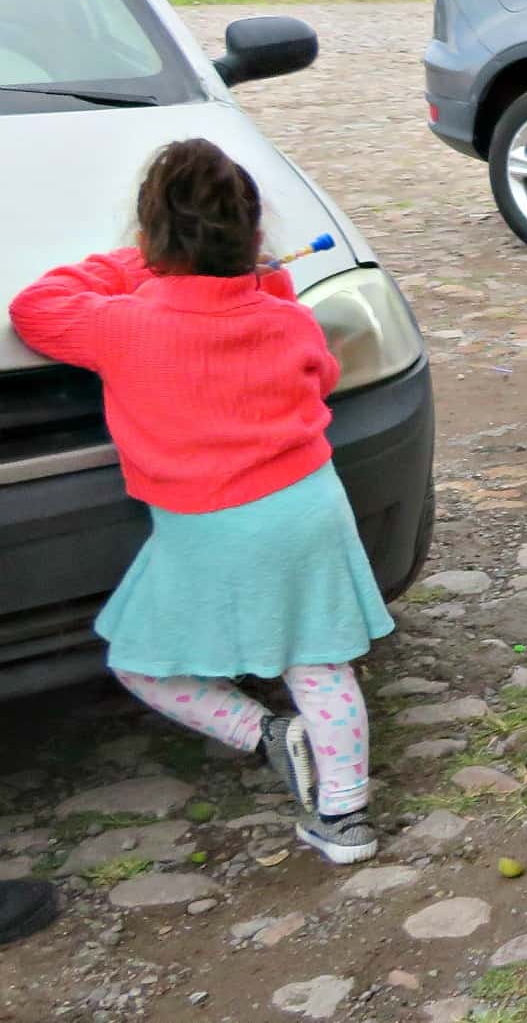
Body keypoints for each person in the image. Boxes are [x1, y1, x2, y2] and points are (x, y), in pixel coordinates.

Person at [9, 139, 392, 865]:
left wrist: (135, 270)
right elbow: (324, 373)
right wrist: (267, 288)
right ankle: (345, 819)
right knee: (318, 661)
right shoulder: (287, 317)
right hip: (308, 504)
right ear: (253, 235)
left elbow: (37, 308)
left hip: (207, 524)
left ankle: (267, 734)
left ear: (152, 237)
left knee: (143, 661)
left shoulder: (122, 325)